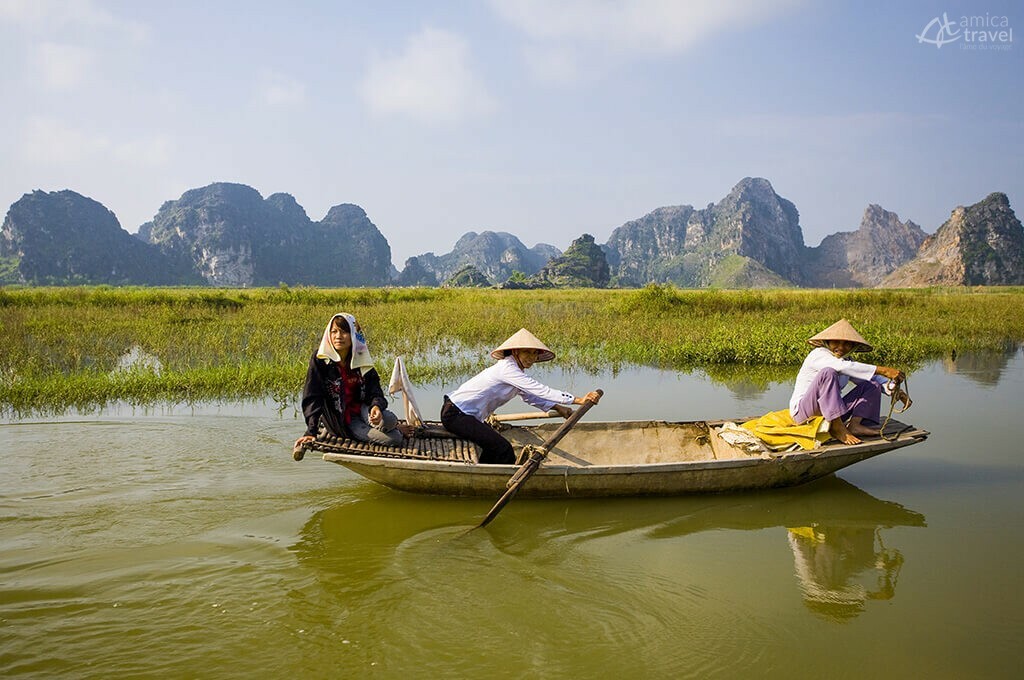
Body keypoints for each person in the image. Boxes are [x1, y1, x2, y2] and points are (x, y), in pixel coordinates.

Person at [441, 328, 602, 464]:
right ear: (516, 351)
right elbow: (539, 389)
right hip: (456, 414)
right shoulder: (507, 369)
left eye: (534, 353)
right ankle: (497, 476)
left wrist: (559, 408)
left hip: (465, 415)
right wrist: (577, 399)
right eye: (527, 352)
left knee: (494, 445)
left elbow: (531, 396)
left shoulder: (515, 372)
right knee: (503, 448)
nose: (532, 358)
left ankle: (485, 470)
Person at [293, 313, 407, 460]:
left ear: (353, 335)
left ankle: (387, 426)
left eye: (344, 331)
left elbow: (375, 389)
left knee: (390, 420)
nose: (338, 336)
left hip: (362, 408)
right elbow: (313, 396)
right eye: (334, 331)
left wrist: (376, 407)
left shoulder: (360, 355)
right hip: (343, 418)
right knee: (394, 439)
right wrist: (311, 431)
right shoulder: (321, 359)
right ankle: (387, 430)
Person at [789, 319, 911, 445]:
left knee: (872, 385)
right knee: (828, 373)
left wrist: (894, 390)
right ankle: (838, 428)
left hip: (828, 414)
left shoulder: (846, 360)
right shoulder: (819, 354)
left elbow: (869, 377)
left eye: (847, 344)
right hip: (804, 413)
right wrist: (884, 370)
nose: (841, 347)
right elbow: (842, 367)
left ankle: (855, 426)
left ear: (853, 347)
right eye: (836, 342)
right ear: (827, 341)